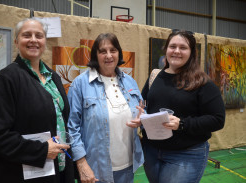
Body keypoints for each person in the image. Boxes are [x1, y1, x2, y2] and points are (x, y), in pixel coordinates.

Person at [0, 18, 75, 183]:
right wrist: (41, 150)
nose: (33, 40)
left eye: (39, 35)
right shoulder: (6, 79)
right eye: (27, 35)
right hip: (19, 175)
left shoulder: (53, 78)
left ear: (45, 41)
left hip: (56, 171)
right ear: (17, 41)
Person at [141, 30, 225, 183]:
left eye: (183, 47)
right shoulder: (155, 76)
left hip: (186, 154)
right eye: (172, 46)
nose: (177, 51)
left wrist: (182, 124)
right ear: (166, 49)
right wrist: (139, 115)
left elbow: (218, 120)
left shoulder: (203, 83)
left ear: (192, 52)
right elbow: (143, 104)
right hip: (151, 151)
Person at [67, 33, 144, 183]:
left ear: (119, 53)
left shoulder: (130, 82)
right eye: (103, 51)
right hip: (95, 170)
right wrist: (81, 164)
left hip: (128, 167)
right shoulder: (80, 84)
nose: (108, 55)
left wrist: (143, 118)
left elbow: (141, 111)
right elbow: (72, 127)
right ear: (96, 55)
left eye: (113, 50)